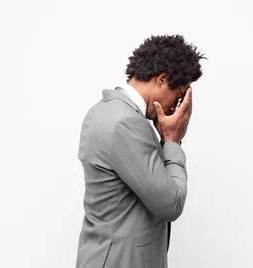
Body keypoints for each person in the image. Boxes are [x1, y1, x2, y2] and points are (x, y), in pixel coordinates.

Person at [75, 34, 206, 268]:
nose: (174, 109)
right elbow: (170, 204)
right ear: (162, 79)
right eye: (176, 99)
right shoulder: (127, 123)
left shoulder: (104, 109)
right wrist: (173, 141)